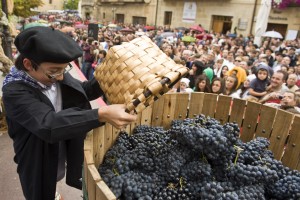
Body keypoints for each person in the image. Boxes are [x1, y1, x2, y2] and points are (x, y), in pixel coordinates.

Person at [2, 26, 137, 200]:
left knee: (59, 173)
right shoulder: (14, 91)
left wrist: (110, 75)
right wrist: (100, 114)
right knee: (41, 187)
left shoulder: (55, 73)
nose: (59, 77)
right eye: (54, 71)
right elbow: (48, 124)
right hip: (37, 154)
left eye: (63, 70)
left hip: (62, 142)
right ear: (28, 64)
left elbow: (82, 91)